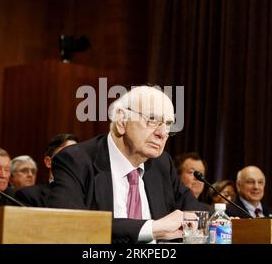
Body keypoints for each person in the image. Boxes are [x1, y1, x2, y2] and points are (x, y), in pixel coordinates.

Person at [47, 85, 210, 243]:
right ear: (122, 120)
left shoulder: (161, 164)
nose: (162, 133)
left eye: (168, 124)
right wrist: (151, 228)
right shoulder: (76, 160)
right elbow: (67, 224)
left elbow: (197, 212)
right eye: (152, 119)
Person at [15, 133, 78, 207]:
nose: (73, 159)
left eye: (77, 154)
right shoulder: (27, 196)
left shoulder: (89, 195)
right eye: (66, 154)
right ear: (48, 162)